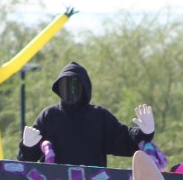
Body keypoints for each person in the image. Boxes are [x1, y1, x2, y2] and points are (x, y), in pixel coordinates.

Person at [17, 61, 155, 167]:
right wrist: (27, 146)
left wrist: (145, 133)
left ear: (85, 88)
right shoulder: (49, 116)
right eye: (66, 86)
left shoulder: (99, 116)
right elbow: (27, 161)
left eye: (75, 86)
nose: (70, 91)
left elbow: (124, 140)